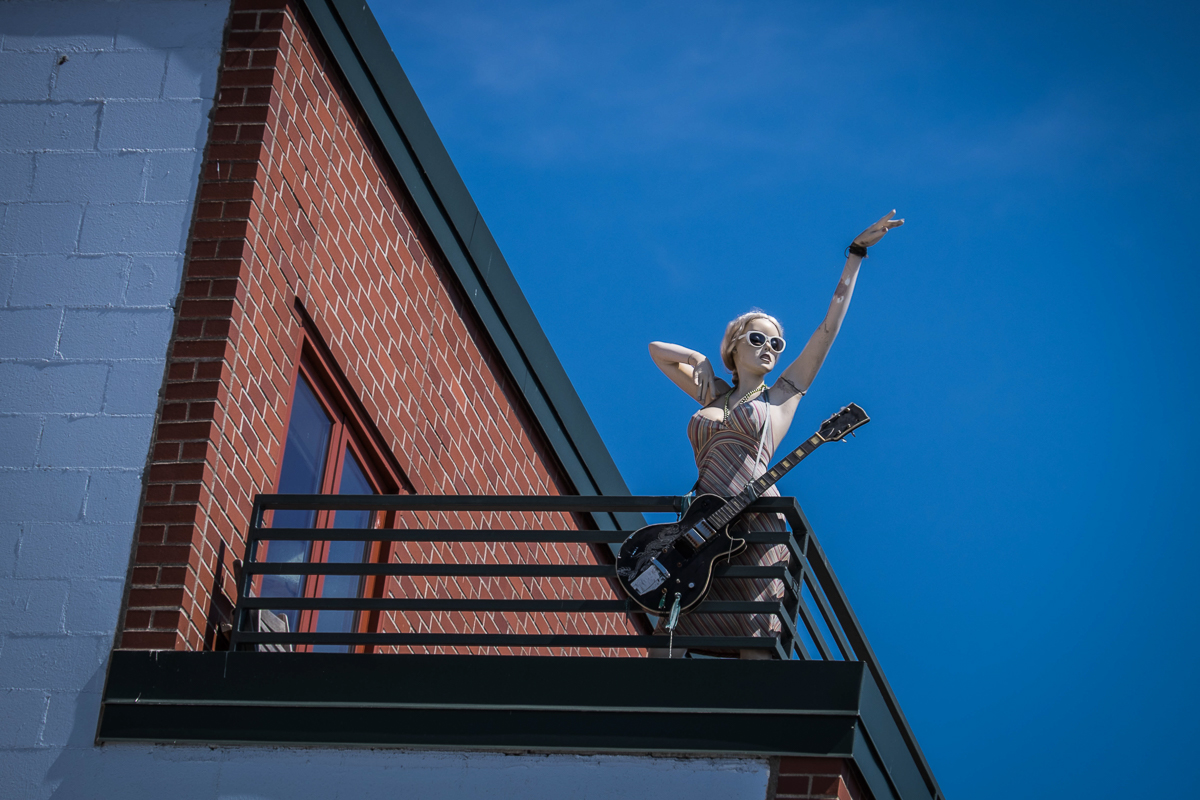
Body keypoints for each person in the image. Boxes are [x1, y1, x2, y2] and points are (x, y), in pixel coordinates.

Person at [647, 210, 904, 658]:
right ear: (734, 345)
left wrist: (856, 254)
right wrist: (697, 358)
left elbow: (828, 329)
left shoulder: (781, 396)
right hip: (704, 522)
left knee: (753, 635)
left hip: (756, 521)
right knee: (672, 621)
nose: (768, 348)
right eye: (757, 339)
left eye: (776, 344)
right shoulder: (713, 394)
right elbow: (657, 352)